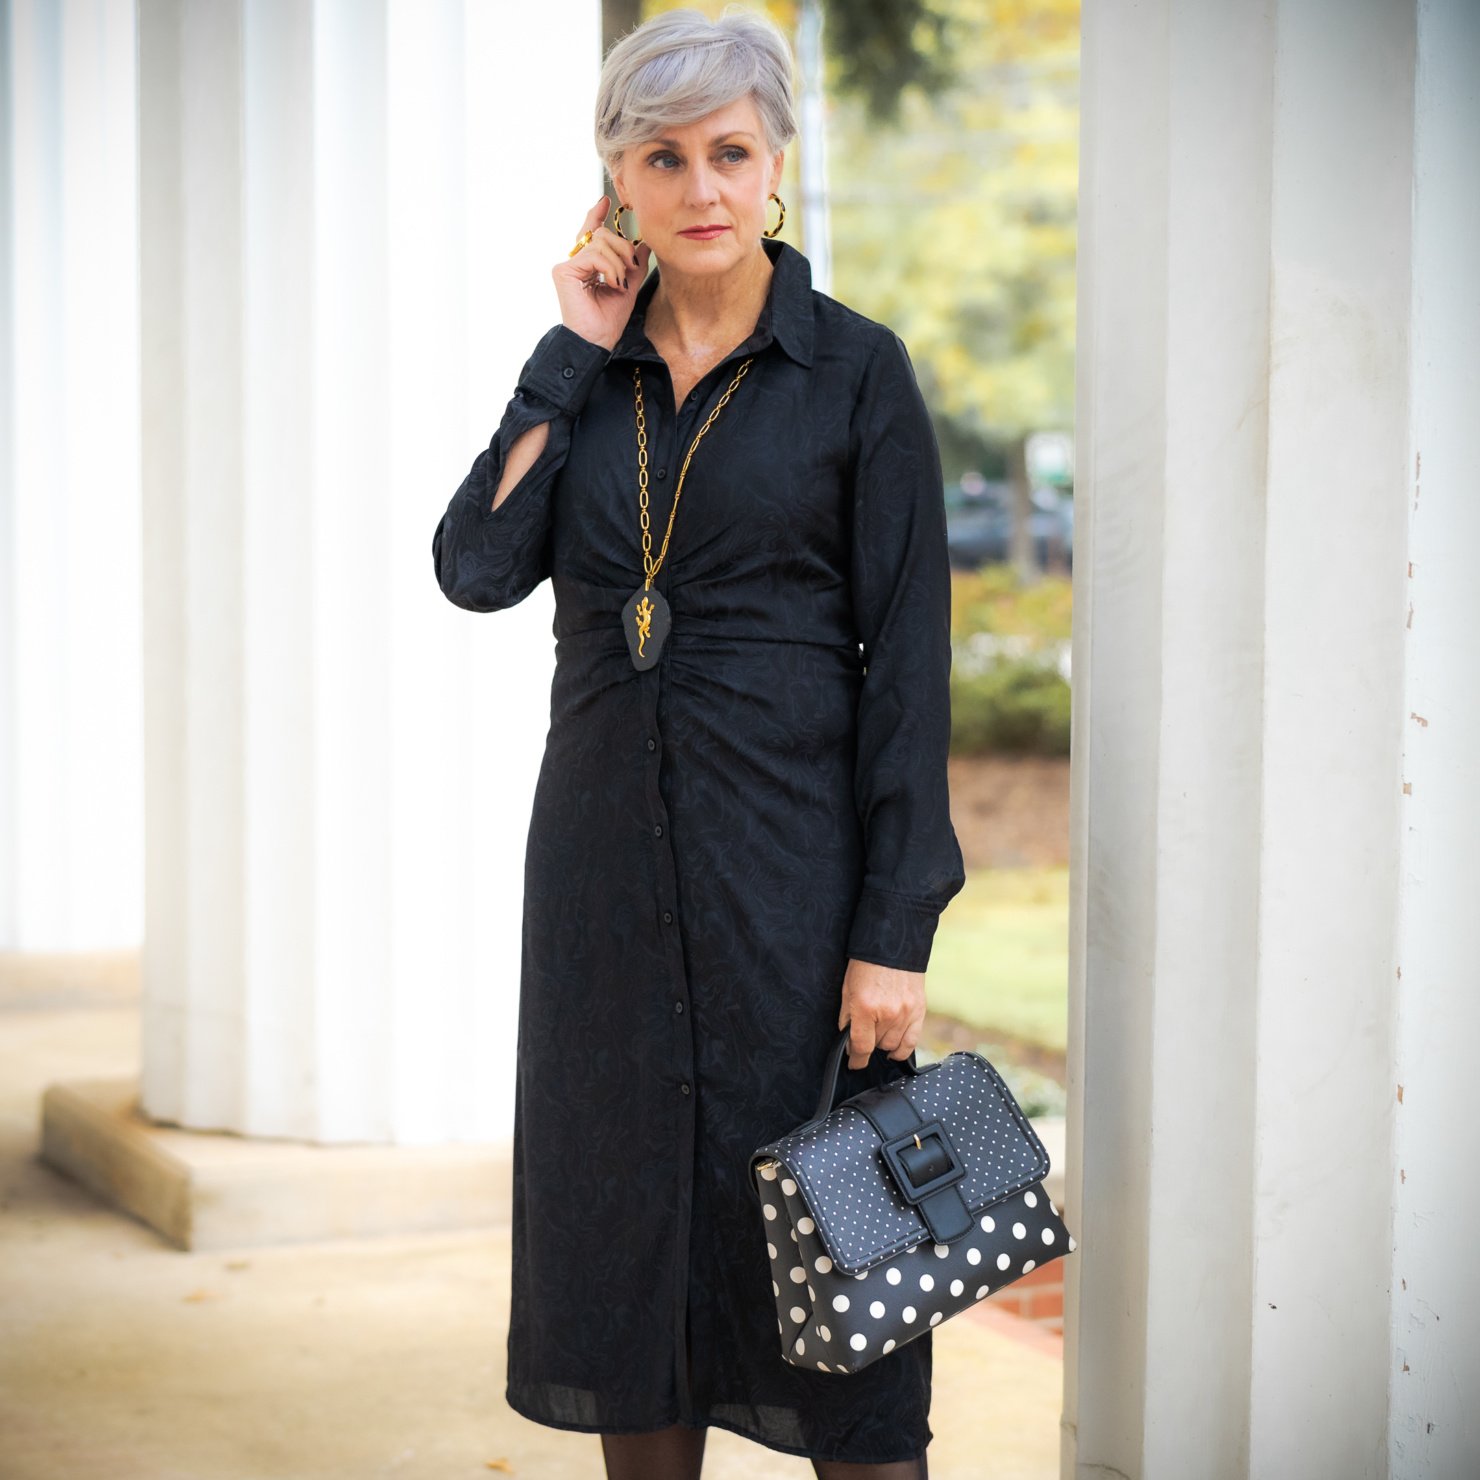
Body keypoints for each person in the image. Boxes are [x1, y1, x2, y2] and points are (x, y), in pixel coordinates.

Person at [431, 8, 964, 1478]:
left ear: (776, 159)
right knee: (627, 1276)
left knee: (850, 1304)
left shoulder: (855, 374)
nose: (702, 187)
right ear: (617, 181)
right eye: (663, 158)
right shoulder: (585, 375)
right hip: (603, 896)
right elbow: (475, 566)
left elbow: (909, 671)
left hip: (793, 900)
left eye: (730, 151)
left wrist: (895, 931)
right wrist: (568, 349)